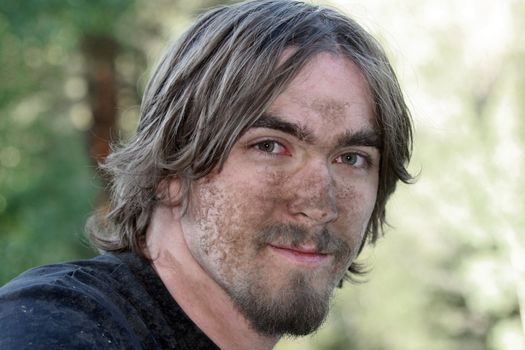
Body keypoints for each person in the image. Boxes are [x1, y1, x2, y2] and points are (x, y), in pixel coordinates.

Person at [0, 0, 413, 349]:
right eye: (270, 146)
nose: (320, 203)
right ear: (171, 168)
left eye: (352, 158)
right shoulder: (57, 327)